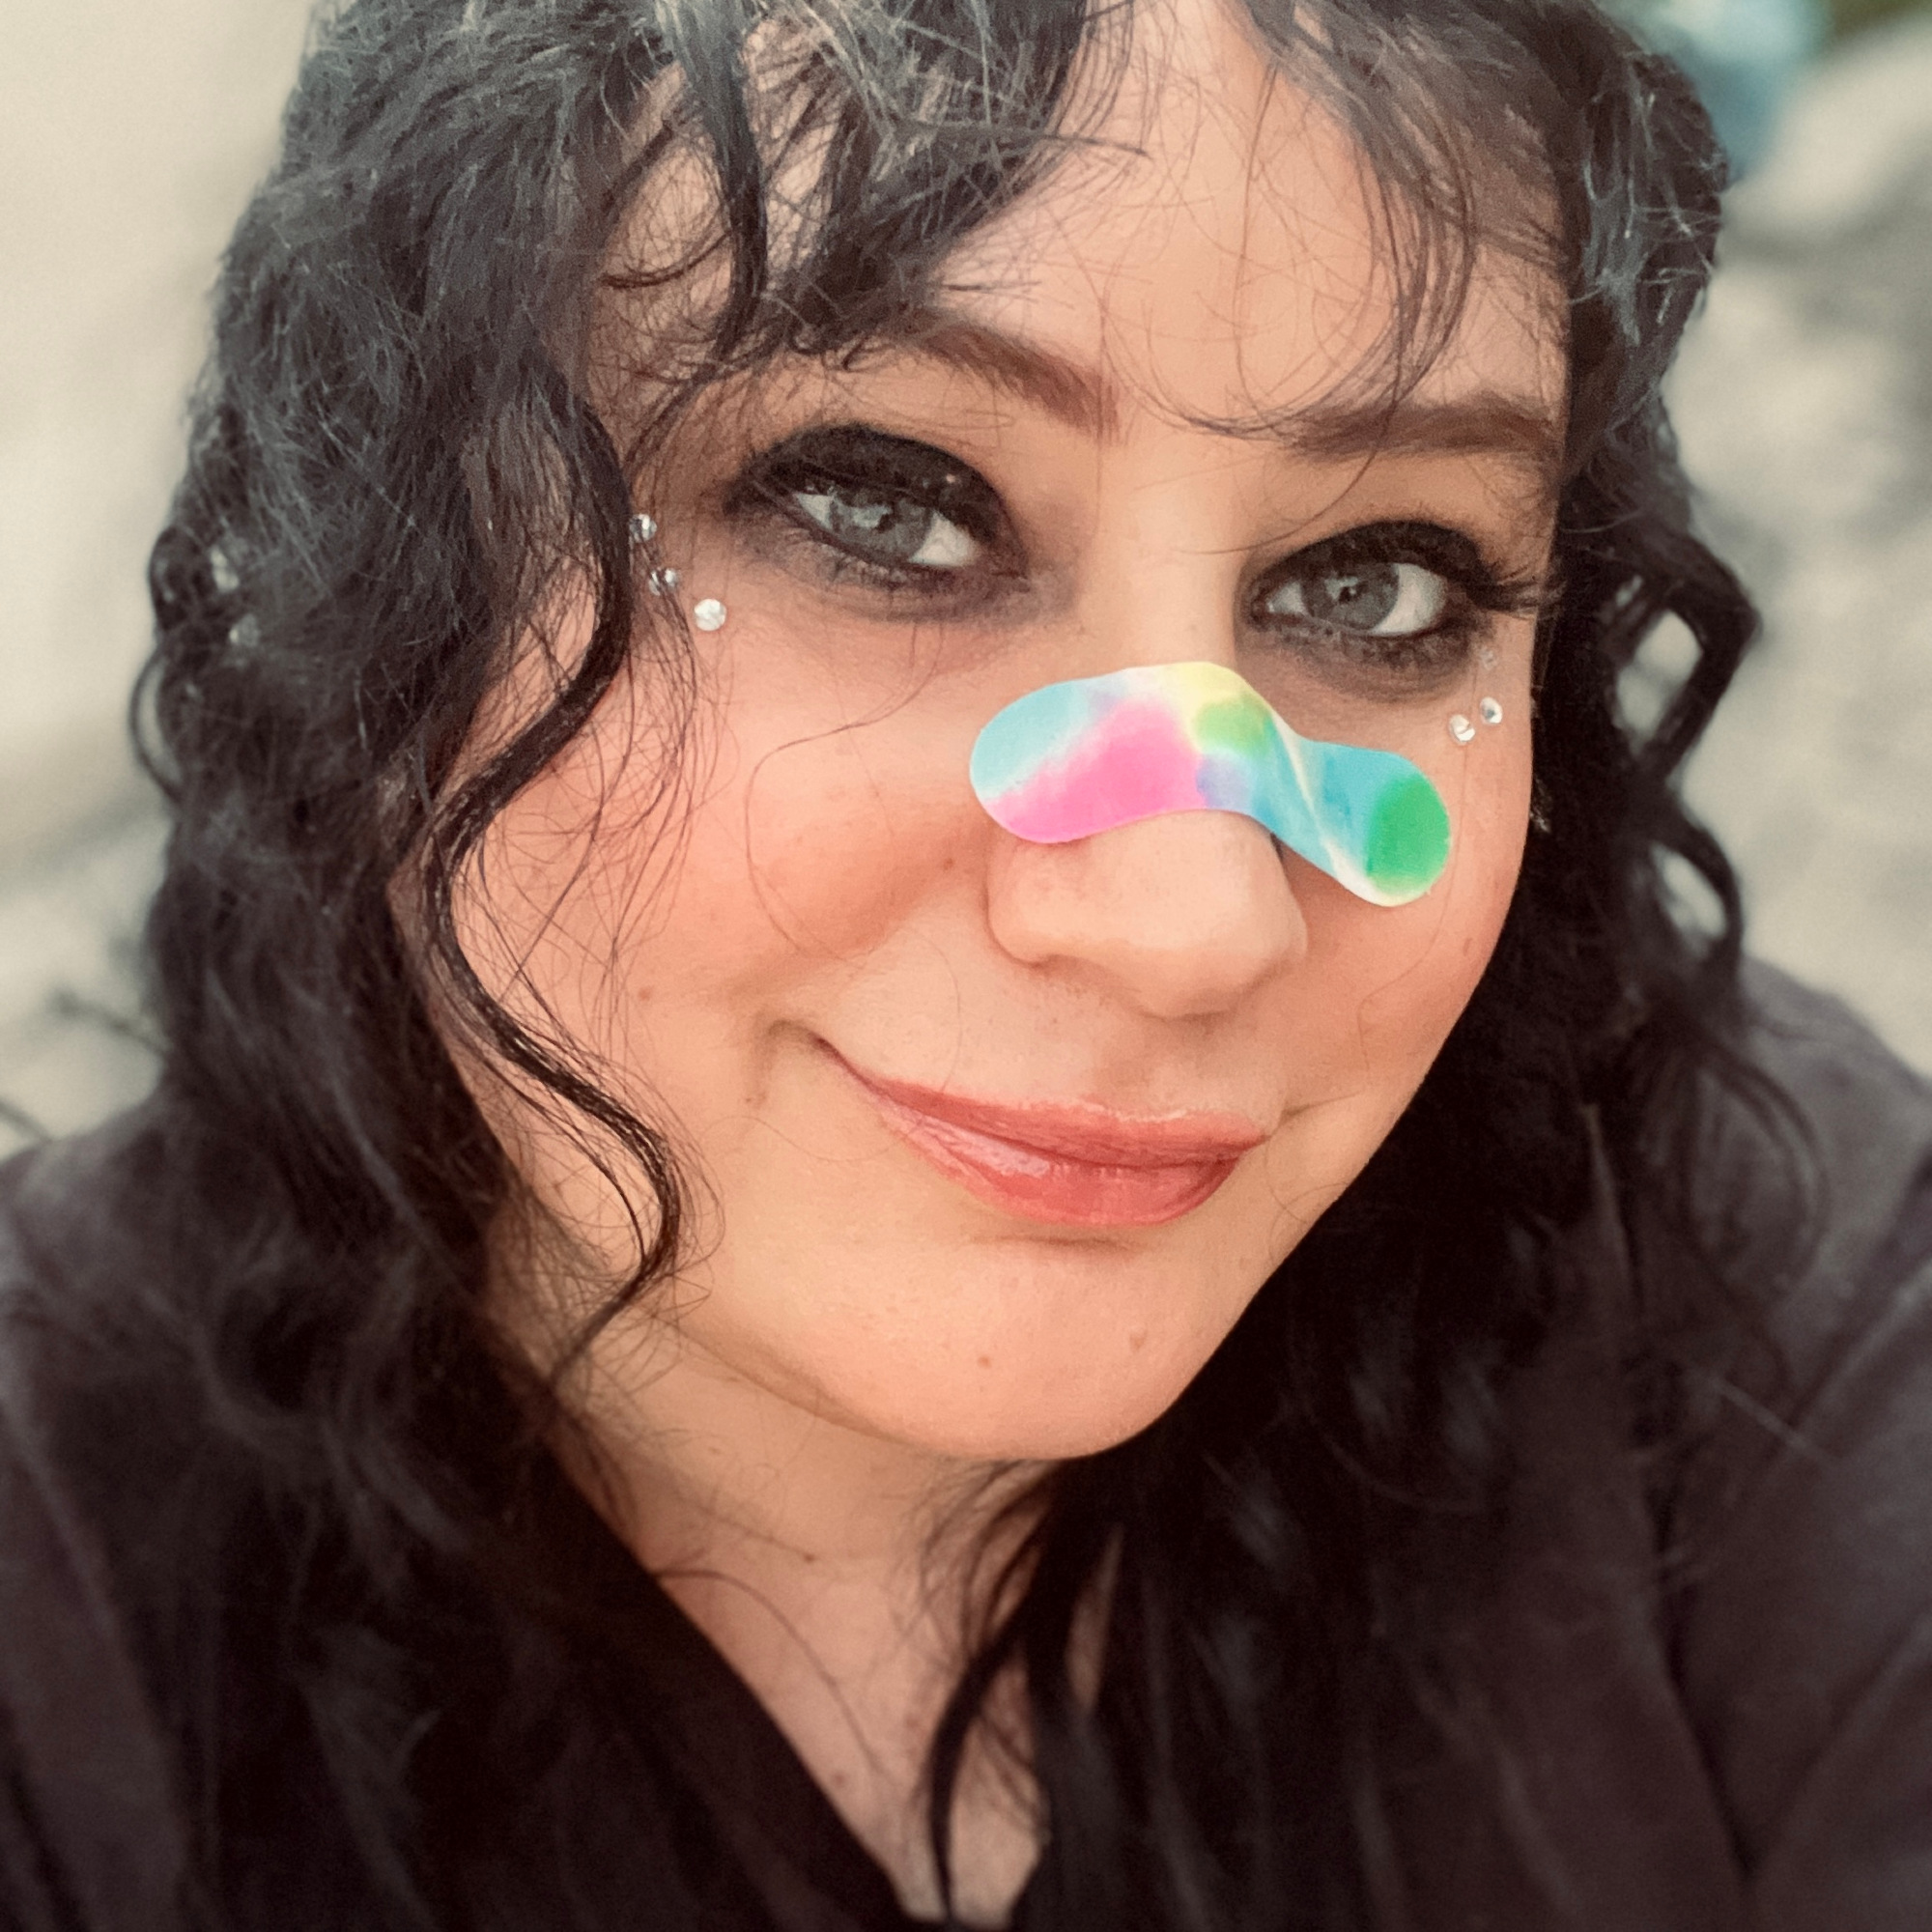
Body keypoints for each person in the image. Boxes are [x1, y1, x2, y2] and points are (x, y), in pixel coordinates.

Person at [3, 0, 1929, 1926]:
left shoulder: (1759, 1297)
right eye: (882, 505)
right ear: (382, 560)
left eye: (1379, 581)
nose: (1191, 923)